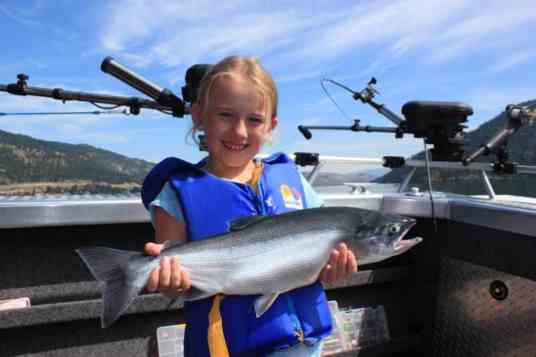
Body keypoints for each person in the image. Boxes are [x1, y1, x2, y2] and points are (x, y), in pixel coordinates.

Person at [141, 55, 358, 357]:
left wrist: (333, 269)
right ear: (198, 115)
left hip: (308, 349)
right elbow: (174, 284)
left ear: (271, 126)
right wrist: (168, 281)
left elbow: (318, 258)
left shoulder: (293, 180)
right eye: (225, 115)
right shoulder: (176, 194)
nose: (239, 131)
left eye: (254, 120)